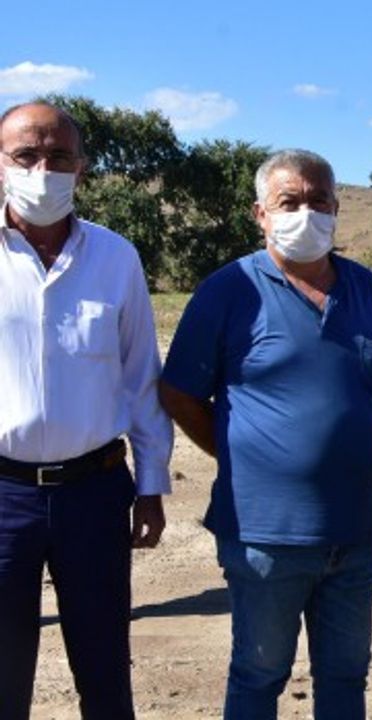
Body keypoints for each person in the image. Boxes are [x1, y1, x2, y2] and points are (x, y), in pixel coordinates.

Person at [160, 149, 372, 719]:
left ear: (338, 208)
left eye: (319, 202)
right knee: (259, 675)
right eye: (289, 203)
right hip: (265, 537)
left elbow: (367, 385)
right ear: (260, 214)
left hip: (356, 533)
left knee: (346, 677)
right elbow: (178, 392)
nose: (306, 214)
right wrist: (239, 451)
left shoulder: (366, 289)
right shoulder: (228, 290)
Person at [0, 101, 172, 720]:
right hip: (4, 495)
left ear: (81, 168)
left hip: (95, 493)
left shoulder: (115, 258)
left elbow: (140, 377)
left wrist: (151, 485)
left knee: (103, 673)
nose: (42, 169)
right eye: (26, 155)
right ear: (0, 165)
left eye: (59, 157)